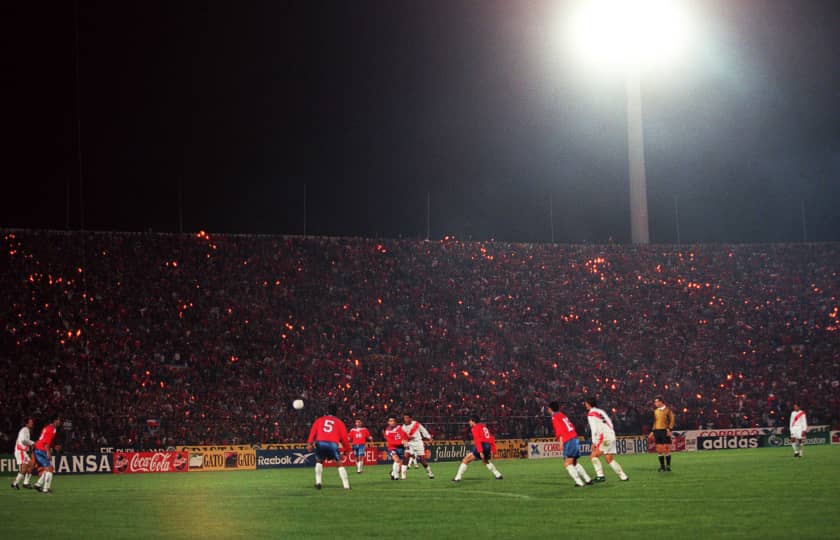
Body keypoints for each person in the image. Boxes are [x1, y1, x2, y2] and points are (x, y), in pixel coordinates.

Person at [306, 404, 351, 490]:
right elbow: (344, 438)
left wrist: (309, 443)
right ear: (337, 412)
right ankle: (346, 486)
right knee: (339, 464)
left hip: (320, 442)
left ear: (327, 412)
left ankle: (318, 482)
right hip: (332, 444)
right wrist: (346, 451)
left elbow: (313, 432)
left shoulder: (319, 420)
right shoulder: (339, 422)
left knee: (319, 461)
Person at [548, 402, 592, 487]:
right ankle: (588, 479)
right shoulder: (562, 414)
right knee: (574, 462)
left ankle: (579, 482)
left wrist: (561, 442)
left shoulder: (554, 417)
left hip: (568, 440)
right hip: (574, 438)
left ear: (550, 409)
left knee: (567, 463)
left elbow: (559, 430)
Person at [584, 398, 628, 482]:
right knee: (609, 459)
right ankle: (623, 476)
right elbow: (610, 423)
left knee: (593, 456)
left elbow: (595, 429)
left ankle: (600, 476)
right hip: (611, 435)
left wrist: (594, 442)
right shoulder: (601, 411)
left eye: (586, 403)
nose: (585, 405)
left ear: (589, 404)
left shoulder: (591, 414)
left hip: (605, 437)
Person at [452, 416, 503, 482]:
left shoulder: (475, 428)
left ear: (473, 421)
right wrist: (494, 451)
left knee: (466, 459)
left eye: (470, 421)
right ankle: (498, 474)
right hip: (488, 446)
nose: (469, 423)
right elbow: (491, 438)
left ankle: (457, 478)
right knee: (485, 461)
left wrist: (480, 452)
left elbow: (477, 441)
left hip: (482, 446)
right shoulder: (484, 427)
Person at [33, 415, 60, 493]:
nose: (59, 422)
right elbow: (46, 442)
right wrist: (48, 452)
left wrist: (53, 447)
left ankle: (38, 484)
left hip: (39, 448)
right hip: (41, 449)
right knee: (50, 469)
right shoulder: (50, 429)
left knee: (49, 468)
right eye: (58, 420)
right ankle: (45, 489)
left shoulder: (49, 428)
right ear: (55, 421)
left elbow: (46, 440)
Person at [402, 413, 434, 479]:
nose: (405, 419)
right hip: (409, 443)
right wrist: (406, 439)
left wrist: (429, 437)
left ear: (411, 418)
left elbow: (423, 430)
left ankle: (430, 472)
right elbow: (403, 437)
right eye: (405, 418)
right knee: (406, 457)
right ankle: (403, 476)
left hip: (418, 443)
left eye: (407, 418)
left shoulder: (416, 424)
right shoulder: (403, 427)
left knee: (422, 460)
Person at [650, 396, 675, 472]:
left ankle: (668, 466)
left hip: (665, 430)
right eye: (655, 402)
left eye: (656, 402)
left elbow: (672, 420)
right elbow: (655, 422)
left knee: (667, 448)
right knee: (659, 449)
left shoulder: (668, 410)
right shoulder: (655, 411)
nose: (655, 403)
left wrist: (670, 429)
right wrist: (652, 431)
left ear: (661, 402)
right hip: (657, 431)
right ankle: (662, 467)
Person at [11, 418, 35, 490]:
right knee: (24, 468)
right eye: (30, 422)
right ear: (27, 424)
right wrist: (33, 443)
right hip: (20, 451)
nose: (32, 423)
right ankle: (15, 483)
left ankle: (26, 483)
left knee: (31, 465)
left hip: (23, 451)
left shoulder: (27, 430)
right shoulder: (24, 430)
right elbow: (23, 440)